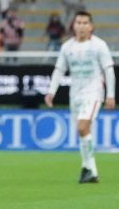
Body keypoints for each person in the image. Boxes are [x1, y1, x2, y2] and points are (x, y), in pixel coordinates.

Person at [45, 11, 115, 184]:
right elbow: (59, 70)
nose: (82, 26)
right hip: (75, 94)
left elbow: (109, 70)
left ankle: (89, 169)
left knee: (83, 127)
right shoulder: (67, 47)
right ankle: (89, 170)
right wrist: (51, 91)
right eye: (79, 22)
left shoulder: (99, 45)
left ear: (91, 26)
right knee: (82, 131)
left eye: (85, 23)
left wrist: (110, 95)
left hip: (93, 92)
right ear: (73, 25)